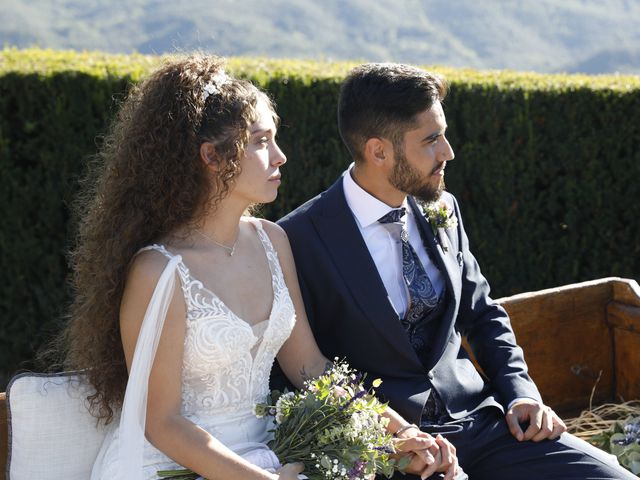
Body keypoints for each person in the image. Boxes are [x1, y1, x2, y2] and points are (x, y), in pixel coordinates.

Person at [58, 55, 458, 480]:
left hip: (266, 453)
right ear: (211, 156)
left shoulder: (273, 241)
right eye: (261, 141)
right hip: (171, 465)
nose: (281, 156)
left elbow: (310, 368)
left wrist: (400, 432)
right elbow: (162, 424)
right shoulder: (158, 271)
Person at [275, 62, 636, 479]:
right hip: (395, 456)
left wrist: (522, 395)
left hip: (485, 425)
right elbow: (302, 374)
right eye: (431, 140)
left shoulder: (442, 207)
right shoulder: (298, 240)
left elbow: (482, 315)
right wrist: (386, 442)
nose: (448, 152)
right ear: (378, 151)